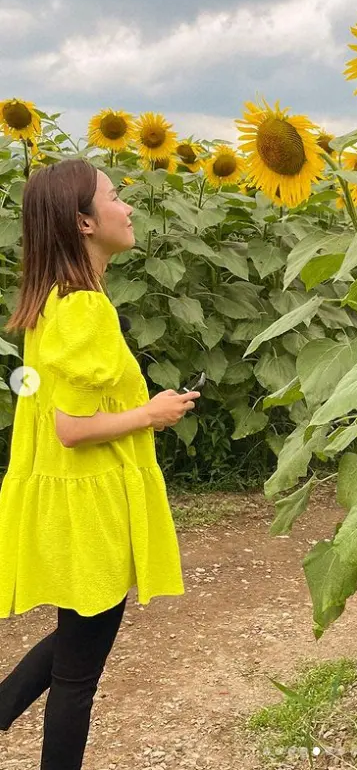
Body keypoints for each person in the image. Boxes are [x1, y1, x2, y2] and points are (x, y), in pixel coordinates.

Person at [0, 158, 201, 769]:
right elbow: (71, 428)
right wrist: (153, 412)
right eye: (115, 197)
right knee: (78, 672)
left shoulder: (50, 302)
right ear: (84, 222)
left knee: (75, 643)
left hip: (65, 499)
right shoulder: (84, 307)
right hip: (90, 502)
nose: (129, 207)